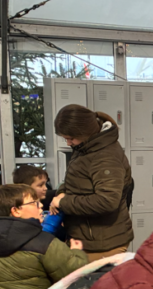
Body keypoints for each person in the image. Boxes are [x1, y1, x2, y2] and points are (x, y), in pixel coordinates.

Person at [50, 104, 134, 261]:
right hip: (87, 238)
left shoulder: (105, 157)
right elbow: (76, 181)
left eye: (70, 138)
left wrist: (64, 202)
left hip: (103, 244)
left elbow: (107, 201)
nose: (68, 143)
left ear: (84, 132)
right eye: (65, 138)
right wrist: (62, 193)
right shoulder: (86, 148)